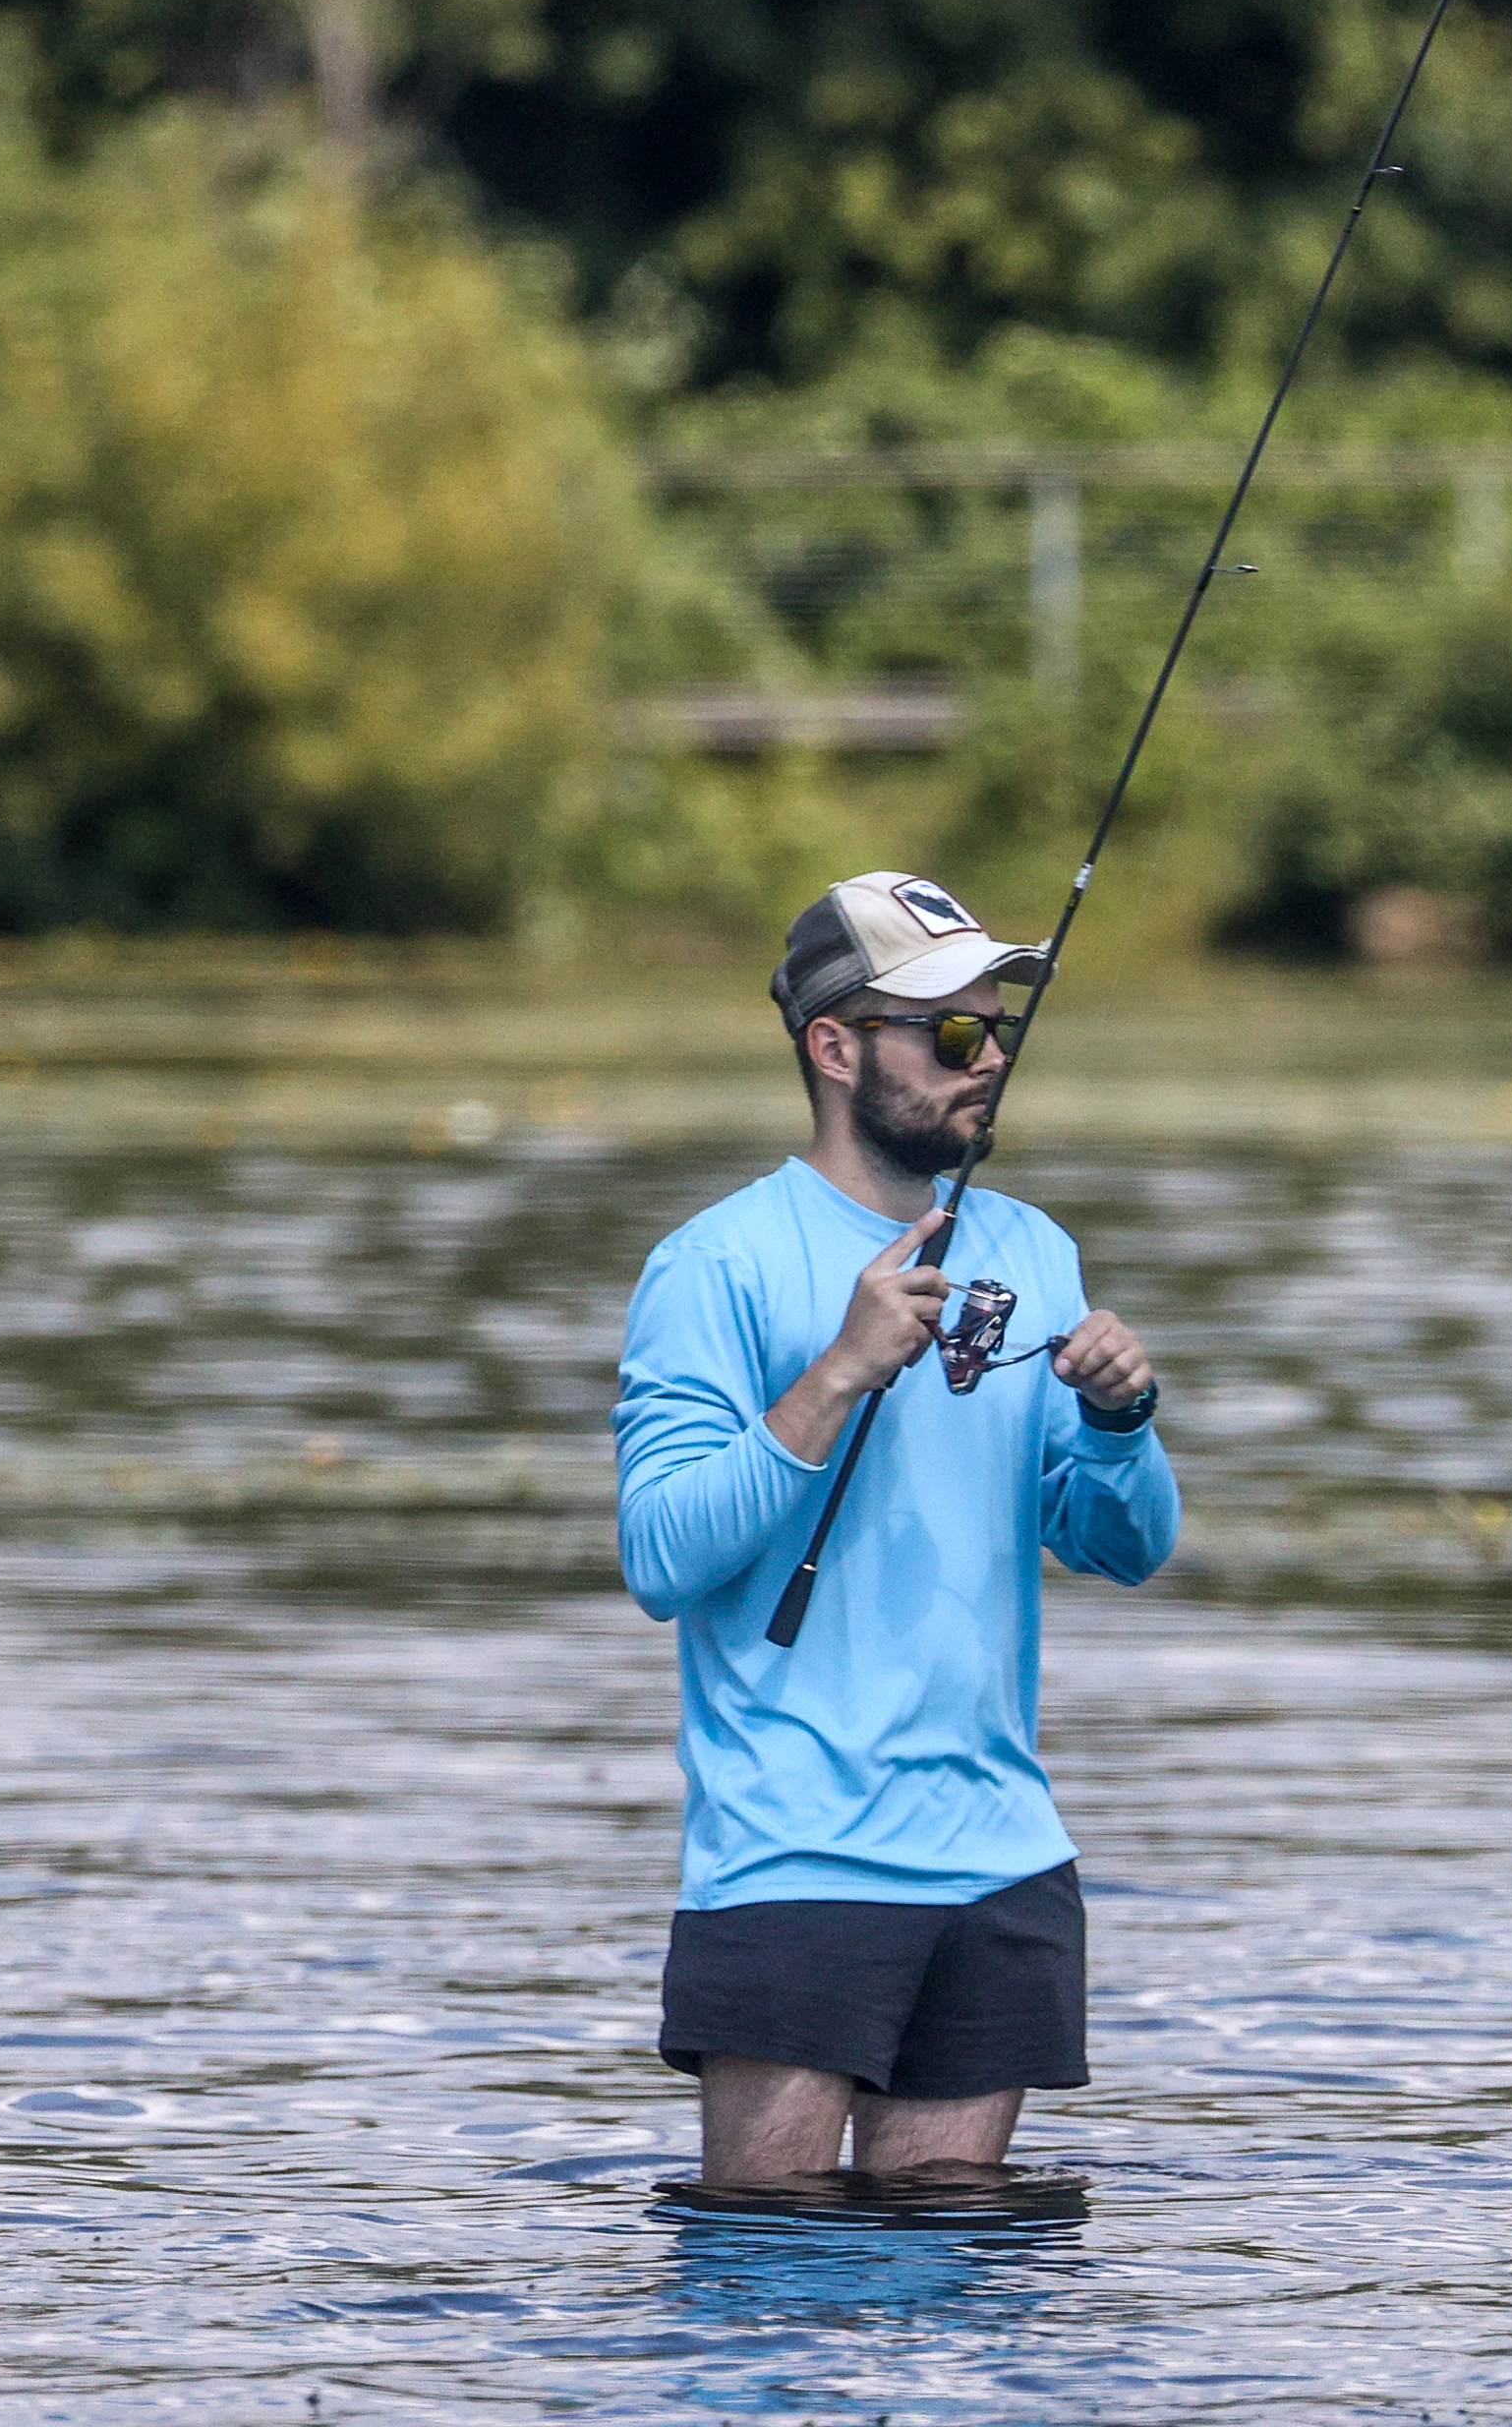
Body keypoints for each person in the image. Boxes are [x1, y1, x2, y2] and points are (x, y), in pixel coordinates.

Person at [611, 871, 1178, 2186]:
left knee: (968, 2307)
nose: (988, 1065)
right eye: (954, 1035)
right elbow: (660, 1558)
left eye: (1000, 1035)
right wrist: (838, 1372)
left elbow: (1126, 1543)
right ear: (835, 1048)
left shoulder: (1035, 1248)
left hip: (1001, 1864)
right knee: (774, 2292)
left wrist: (1121, 1421)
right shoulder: (716, 1264)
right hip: (791, 1861)